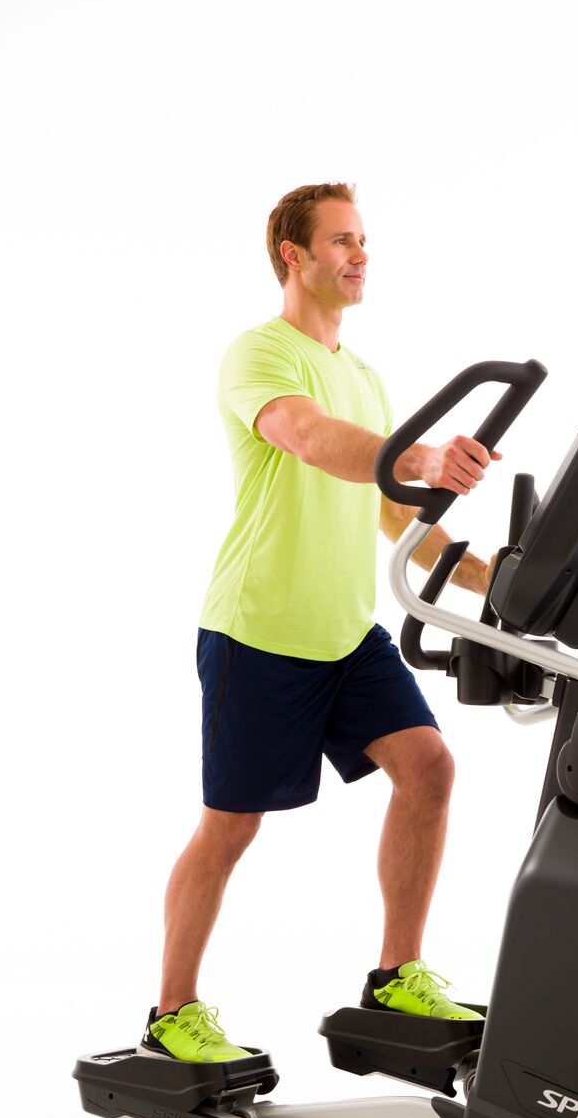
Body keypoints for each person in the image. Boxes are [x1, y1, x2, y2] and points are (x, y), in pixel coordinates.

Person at [142, 181, 498, 1065]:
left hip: (346, 632)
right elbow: (307, 438)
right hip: (259, 631)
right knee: (231, 826)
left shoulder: (364, 377)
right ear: (292, 255)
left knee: (428, 768)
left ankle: (396, 975)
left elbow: (390, 505)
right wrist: (421, 456)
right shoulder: (260, 353)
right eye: (341, 240)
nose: (359, 254)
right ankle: (170, 1015)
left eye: (363, 239)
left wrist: (486, 577)